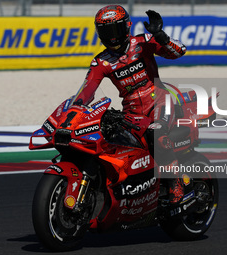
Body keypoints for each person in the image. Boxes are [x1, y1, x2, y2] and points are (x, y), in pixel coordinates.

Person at [71, 5, 186, 205]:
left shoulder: (144, 42)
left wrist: (161, 36)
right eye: (107, 32)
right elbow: (87, 90)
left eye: (116, 30)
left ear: (127, 26)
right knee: (115, 145)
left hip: (160, 100)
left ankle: (176, 184)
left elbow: (179, 52)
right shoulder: (101, 62)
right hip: (132, 112)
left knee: (156, 133)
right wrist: (75, 111)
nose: (113, 37)